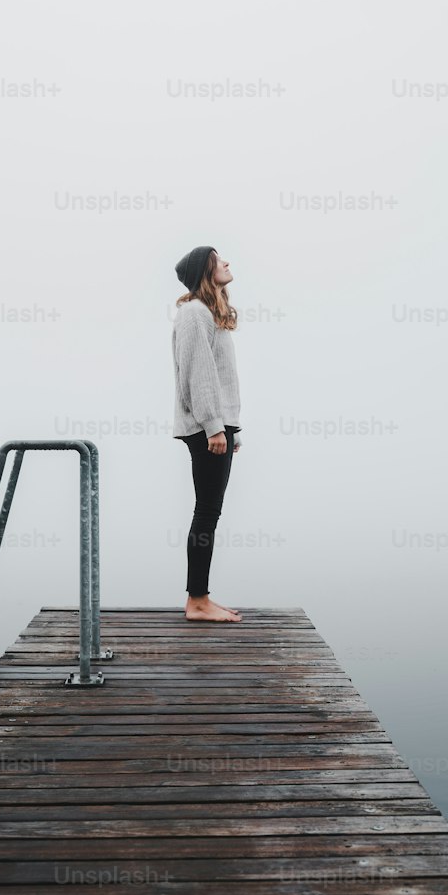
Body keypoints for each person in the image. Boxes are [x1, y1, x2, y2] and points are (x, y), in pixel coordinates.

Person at [171, 245, 243, 623]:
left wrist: (231, 429)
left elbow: (220, 377)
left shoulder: (207, 315)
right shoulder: (194, 313)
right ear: (205, 269)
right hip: (207, 427)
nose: (228, 262)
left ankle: (201, 597)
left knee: (209, 512)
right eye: (219, 259)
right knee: (206, 513)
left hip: (217, 426)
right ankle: (197, 601)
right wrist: (215, 427)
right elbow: (197, 374)